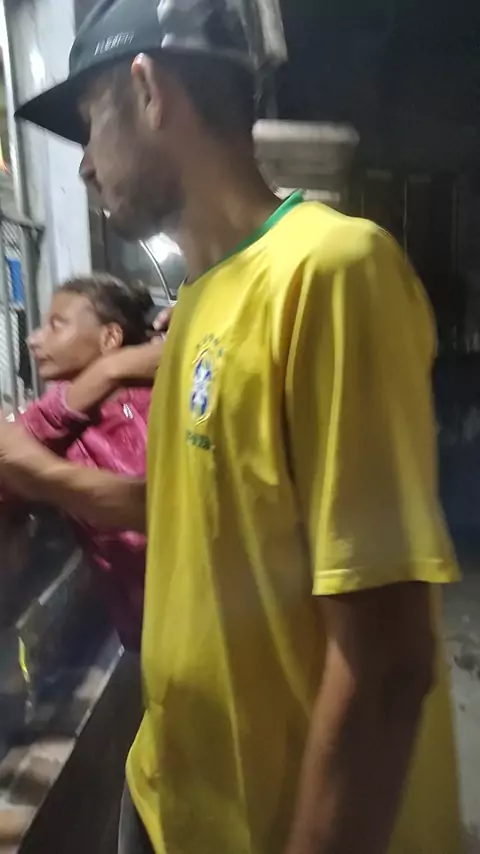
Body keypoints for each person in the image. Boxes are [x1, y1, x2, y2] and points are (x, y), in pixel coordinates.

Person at [2, 1, 464, 852]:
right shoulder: (201, 302)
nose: (84, 166)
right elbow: (192, 511)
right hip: (169, 794)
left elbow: (387, 665)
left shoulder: (331, 274)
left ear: (149, 91)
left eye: (91, 122)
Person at [1, 273, 165, 652]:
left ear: (110, 337)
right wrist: (104, 374)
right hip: (150, 634)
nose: (33, 339)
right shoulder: (53, 430)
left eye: (56, 325)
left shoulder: (168, 393)